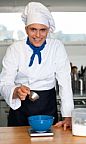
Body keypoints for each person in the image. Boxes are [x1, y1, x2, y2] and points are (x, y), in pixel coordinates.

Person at [0, 2, 74, 130]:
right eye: (33, 29)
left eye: (42, 30)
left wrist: (68, 115)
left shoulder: (56, 47)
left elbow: (65, 82)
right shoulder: (15, 49)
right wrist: (16, 92)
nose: (38, 35)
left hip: (47, 105)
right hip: (21, 107)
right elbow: (4, 83)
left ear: (48, 30)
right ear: (26, 29)